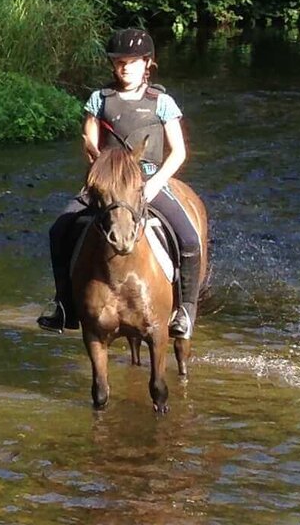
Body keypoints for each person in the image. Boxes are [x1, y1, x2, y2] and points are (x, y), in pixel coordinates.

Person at [39, 27, 206, 340]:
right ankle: (63, 305)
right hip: (107, 184)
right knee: (59, 229)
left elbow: (179, 151)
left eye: (132, 61)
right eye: (119, 62)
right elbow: (88, 141)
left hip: (148, 180)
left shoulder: (162, 102)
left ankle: (185, 310)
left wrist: (155, 184)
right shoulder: (99, 100)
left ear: (147, 63)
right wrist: (101, 175)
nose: (124, 67)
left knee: (188, 239)